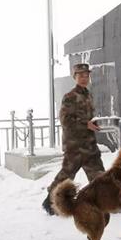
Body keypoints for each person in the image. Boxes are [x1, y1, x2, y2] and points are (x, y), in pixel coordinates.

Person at [42, 63, 104, 215]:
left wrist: (94, 123)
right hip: (75, 146)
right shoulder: (69, 97)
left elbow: (87, 119)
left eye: (86, 75)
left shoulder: (88, 95)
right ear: (74, 77)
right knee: (67, 175)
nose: (84, 78)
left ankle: (103, 202)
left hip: (89, 144)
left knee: (99, 176)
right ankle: (50, 202)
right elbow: (65, 120)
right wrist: (86, 124)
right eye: (80, 75)